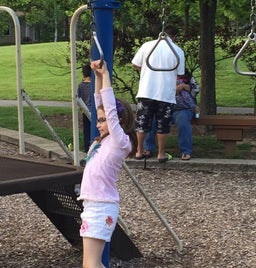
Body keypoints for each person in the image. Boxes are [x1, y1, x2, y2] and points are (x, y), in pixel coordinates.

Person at [78, 60, 137, 268]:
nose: (99, 123)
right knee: (90, 264)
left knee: (90, 265)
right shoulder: (102, 142)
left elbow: (109, 109)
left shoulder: (121, 142)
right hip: (92, 205)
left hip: (102, 206)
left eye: (103, 120)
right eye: (99, 120)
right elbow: (99, 102)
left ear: (118, 121)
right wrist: (98, 77)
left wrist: (107, 76)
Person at [131, 25, 185, 162]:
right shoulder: (178, 51)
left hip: (146, 90)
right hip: (166, 93)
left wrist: (146, 72)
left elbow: (135, 64)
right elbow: (180, 73)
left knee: (142, 122)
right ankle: (161, 153)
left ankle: (139, 150)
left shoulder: (146, 46)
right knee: (163, 124)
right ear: (174, 37)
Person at [143, 70, 199, 161]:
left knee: (183, 122)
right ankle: (148, 148)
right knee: (152, 120)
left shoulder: (188, 77)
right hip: (162, 107)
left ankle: (185, 151)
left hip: (182, 108)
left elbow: (196, 89)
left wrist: (184, 86)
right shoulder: (161, 76)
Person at [77, 64, 93, 152]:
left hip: (85, 111)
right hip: (94, 111)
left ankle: (87, 148)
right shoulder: (94, 86)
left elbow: (78, 98)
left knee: (86, 131)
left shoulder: (80, 86)